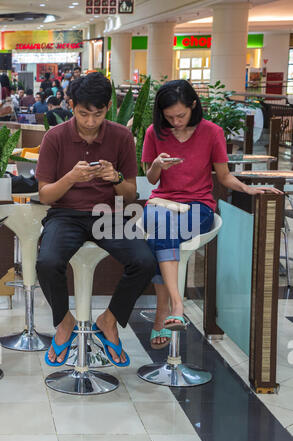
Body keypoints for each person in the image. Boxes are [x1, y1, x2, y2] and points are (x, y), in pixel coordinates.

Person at [141, 79, 282, 349]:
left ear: (194, 105)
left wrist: (249, 189)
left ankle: (165, 310)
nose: (176, 121)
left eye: (181, 115)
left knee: (162, 234)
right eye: (169, 117)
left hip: (199, 205)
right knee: (161, 227)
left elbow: (225, 177)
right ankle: (176, 307)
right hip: (162, 202)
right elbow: (151, 180)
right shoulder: (154, 133)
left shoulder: (212, 132)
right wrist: (157, 164)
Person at [36, 72, 156, 367]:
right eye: (83, 113)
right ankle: (65, 323)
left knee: (144, 261)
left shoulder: (121, 136)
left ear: (108, 107)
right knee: (47, 263)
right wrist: (70, 178)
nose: (91, 122)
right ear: (72, 104)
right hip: (65, 215)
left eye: (98, 114)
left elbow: (129, 194)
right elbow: (46, 196)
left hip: (109, 213)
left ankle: (109, 320)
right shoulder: (55, 137)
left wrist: (113, 176)